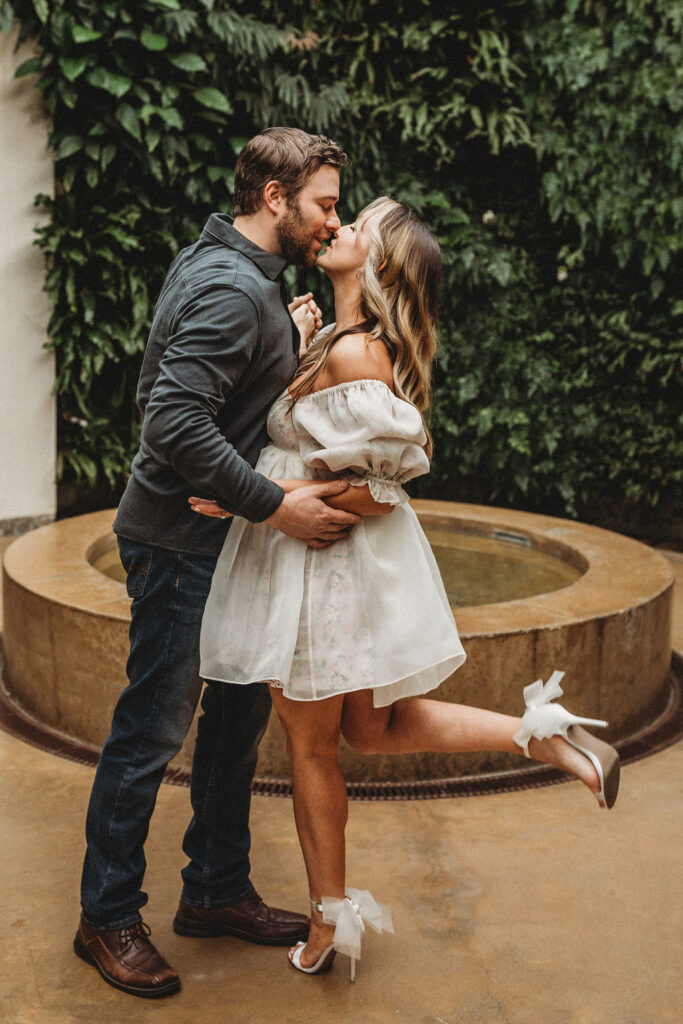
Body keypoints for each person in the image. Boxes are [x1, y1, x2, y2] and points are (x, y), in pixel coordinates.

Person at [191, 197, 621, 981]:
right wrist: (294, 354)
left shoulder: (358, 356)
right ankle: (546, 738)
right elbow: (328, 457)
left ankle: (327, 926)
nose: (336, 230)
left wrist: (252, 497)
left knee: (313, 751)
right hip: (335, 569)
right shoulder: (337, 340)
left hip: (323, 574)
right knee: (369, 732)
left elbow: (378, 489)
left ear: (378, 266)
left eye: (354, 227)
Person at [74, 127, 391, 1000]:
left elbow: (183, 395)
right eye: (324, 203)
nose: (332, 222)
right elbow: (169, 424)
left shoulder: (240, 273)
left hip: (223, 543)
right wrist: (274, 502)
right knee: (152, 731)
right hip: (182, 545)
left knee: (234, 725)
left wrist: (278, 351)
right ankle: (105, 915)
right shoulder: (229, 287)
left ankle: (214, 890)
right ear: (276, 197)